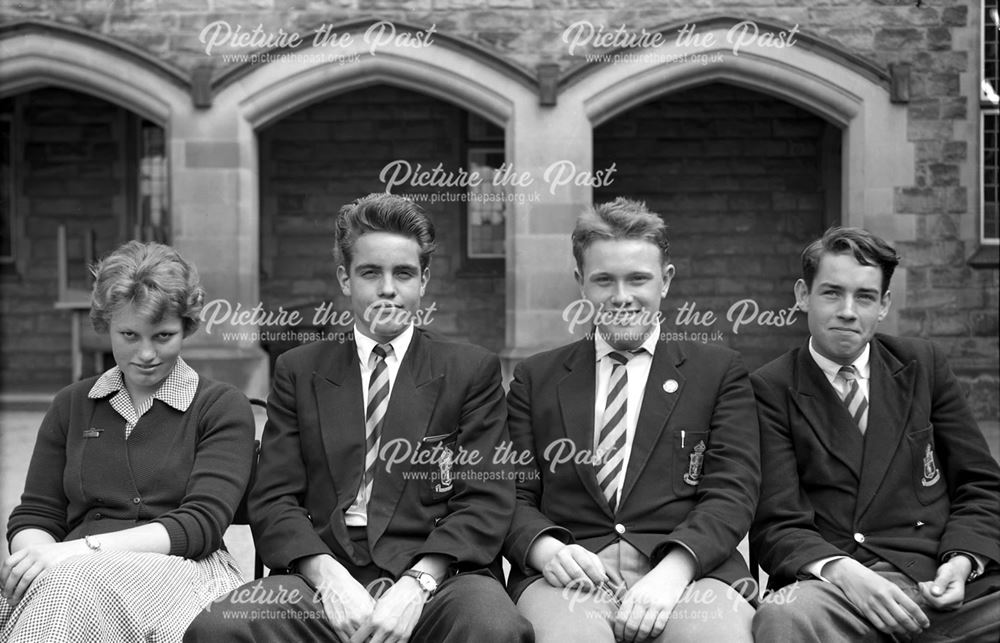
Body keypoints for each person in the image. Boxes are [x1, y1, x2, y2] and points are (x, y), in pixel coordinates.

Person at [185, 193, 532, 642]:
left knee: (493, 626)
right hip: (324, 572)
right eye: (371, 272)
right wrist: (328, 578)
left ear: (423, 281)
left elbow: (485, 499)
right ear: (345, 279)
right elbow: (273, 499)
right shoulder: (299, 370)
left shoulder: (471, 370)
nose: (387, 288)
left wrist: (417, 585)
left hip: (439, 575)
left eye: (403, 273)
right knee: (220, 628)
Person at [503, 198, 759, 643]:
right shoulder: (535, 378)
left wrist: (675, 570)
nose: (622, 297)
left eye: (638, 278)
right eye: (604, 280)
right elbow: (511, 492)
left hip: (691, 571)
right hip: (570, 572)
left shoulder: (718, 373)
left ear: (666, 281)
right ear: (581, 282)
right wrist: (546, 549)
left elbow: (732, 491)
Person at [750, 226, 1000, 642]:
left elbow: (980, 485)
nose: (848, 310)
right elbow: (777, 524)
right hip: (838, 589)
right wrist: (846, 575)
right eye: (831, 293)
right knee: (783, 618)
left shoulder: (923, 365)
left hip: (938, 582)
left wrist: (961, 562)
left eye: (865, 296)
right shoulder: (768, 388)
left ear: (883, 305)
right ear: (802, 295)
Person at [0, 240, 255, 642]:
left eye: (164, 335)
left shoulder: (220, 407)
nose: (146, 353)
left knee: (71, 587)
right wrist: (34, 558)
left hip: (184, 570)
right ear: (106, 327)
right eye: (130, 334)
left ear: (187, 326)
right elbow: (36, 514)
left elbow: (200, 524)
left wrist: (71, 554)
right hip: (71, 571)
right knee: (30, 591)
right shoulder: (72, 404)